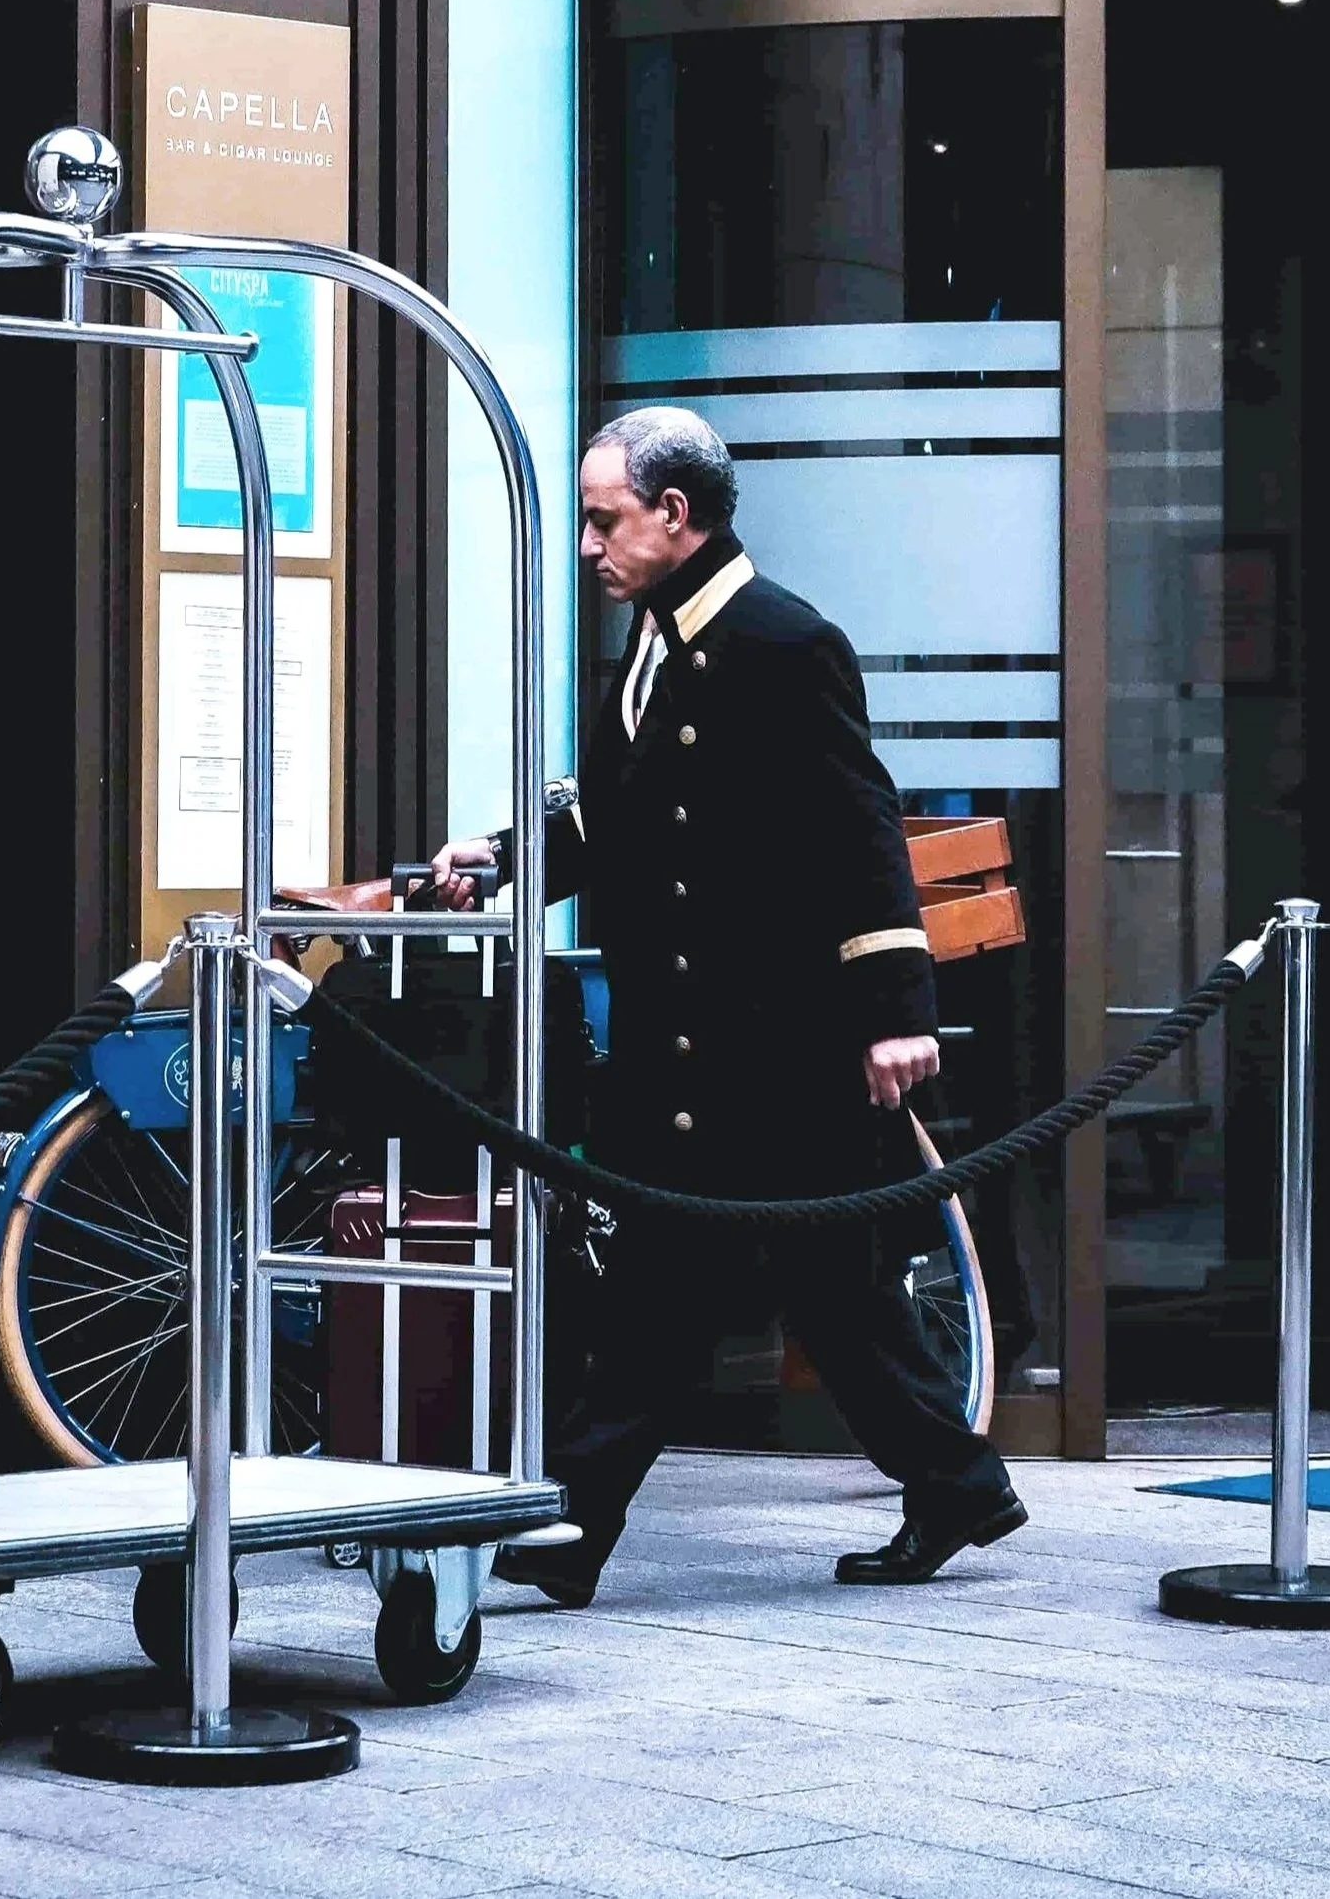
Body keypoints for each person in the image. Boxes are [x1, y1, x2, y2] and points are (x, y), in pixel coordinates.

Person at [429, 406, 1025, 1603]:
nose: (590, 545)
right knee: (736, 1297)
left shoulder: (783, 640)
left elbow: (861, 825)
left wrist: (897, 1007)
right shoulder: (652, 642)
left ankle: (574, 1530)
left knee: (785, 1299)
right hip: (685, 1051)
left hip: (782, 1047)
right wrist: (503, 854)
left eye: (604, 522)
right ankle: (948, 1486)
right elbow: (619, 820)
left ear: (673, 515)